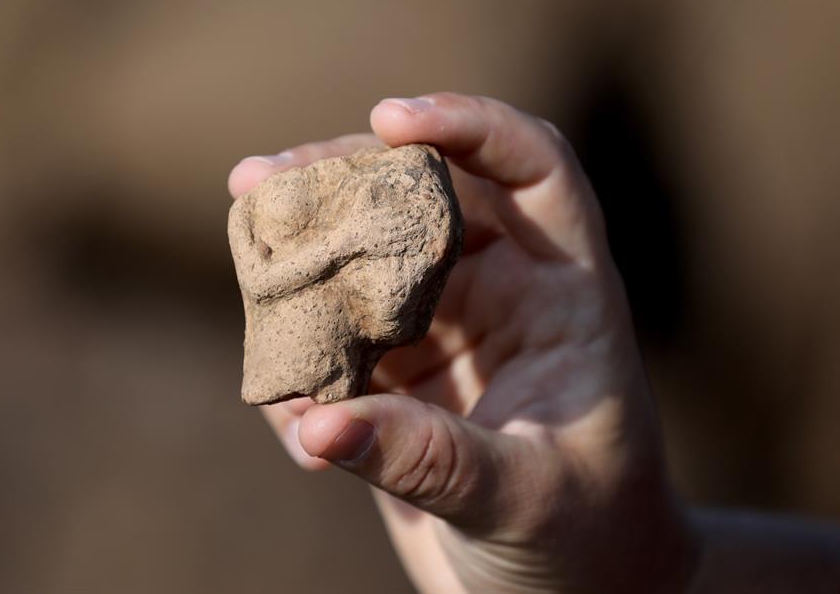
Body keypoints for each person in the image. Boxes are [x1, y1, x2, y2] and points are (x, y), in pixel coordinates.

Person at [228, 93, 840, 593]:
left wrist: (650, 570)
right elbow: (263, 279)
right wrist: (655, 572)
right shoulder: (257, 222)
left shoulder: (385, 235)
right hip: (289, 346)